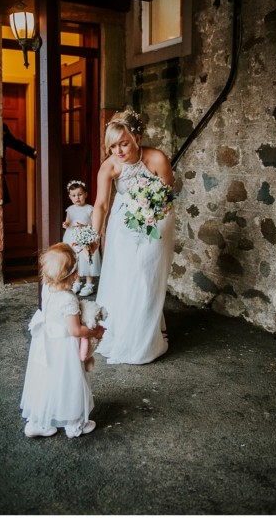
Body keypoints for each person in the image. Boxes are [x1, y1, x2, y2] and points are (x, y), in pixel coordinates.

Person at [91, 108, 175, 364]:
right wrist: (93, 236)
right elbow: (101, 205)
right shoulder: (110, 167)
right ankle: (126, 332)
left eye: (123, 143)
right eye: (112, 146)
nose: (118, 151)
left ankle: (144, 338)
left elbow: (167, 197)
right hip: (123, 226)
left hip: (156, 222)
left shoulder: (158, 159)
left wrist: (152, 211)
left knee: (146, 274)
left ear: (137, 138)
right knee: (126, 276)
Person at [20, 243, 105, 438]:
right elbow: (75, 330)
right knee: (70, 382)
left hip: (46, 343)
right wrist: (95, 331)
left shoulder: (48, 287)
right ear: (75, 275)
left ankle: (38, 422)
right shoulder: (69, 299)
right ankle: (74, 424)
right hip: (64, 348)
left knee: (46, 380)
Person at [61, 179, 101, 296]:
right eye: (74, 195)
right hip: (71, 237)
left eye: (80, 194)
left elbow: (95, 223)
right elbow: (68, 221)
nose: (77, 197)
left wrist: (85, 226)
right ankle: (77, 282)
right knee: (75, 260)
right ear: (70, 197)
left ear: (86, 195)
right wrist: (66, 224)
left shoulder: (90, 208)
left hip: (85, 236)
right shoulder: (70, 209)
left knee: (87, 258)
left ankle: (89, 285)